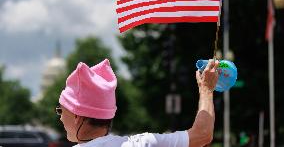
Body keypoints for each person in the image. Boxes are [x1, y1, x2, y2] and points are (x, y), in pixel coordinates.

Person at [56, 58, 219, 147]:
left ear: (77, 116)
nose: (61, 118)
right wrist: (206, 90)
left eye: (61, 111)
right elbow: (202, 135)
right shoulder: (142, 144)